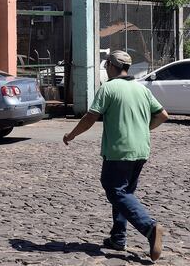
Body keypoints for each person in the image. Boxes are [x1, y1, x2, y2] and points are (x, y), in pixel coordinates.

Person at [62, 50, 169, 262]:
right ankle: (118, 238)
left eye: (106, 65)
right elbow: (163, 115)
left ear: (111, 66)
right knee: (125, 193)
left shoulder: (109, 88)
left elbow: (91, 117)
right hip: (141, 150)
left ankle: (150, 228)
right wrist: (145, 129)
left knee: (115, 190)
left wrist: (71, 134)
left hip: (119, 150)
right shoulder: (141, 89)